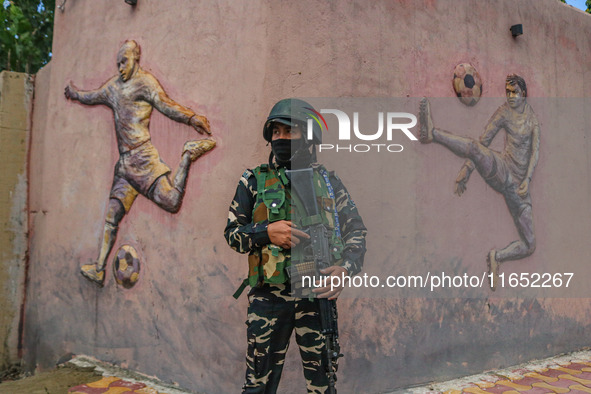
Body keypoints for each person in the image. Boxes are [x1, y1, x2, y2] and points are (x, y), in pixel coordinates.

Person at [224, 98, 367, 393]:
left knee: (323, 387)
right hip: (269, 300)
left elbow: (356, 232)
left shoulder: (328, 182)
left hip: (316, 299)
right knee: (257, 387)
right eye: (275, 133)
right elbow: (232, 234)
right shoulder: (253, 180)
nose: (280, 139)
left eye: (289, 132)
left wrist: (346, 269)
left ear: (309, 135)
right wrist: (266, 232)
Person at [64, 40, 216, 286]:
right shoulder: (113, 88)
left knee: (172, 202)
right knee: (112, 215)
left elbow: (166, 105)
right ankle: (100, 269)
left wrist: (192, 118)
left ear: (135, 58)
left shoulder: (145, 83)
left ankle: (187, 155)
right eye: (117, 63)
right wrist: (75, 94)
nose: (120, 67)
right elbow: (92, 97)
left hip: (142, 159)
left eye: (124, 61)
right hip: (124, 165)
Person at [419, 74, 540, 290]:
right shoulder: (504, 112)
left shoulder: (532, 121)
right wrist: (466, 171)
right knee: (475, 148)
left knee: (530, 245)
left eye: (515, 92)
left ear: (524, 93)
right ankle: (432, 134)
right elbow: (485, 139)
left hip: (519, 191)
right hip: (503, 170)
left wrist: (528, 180)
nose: (511, 97)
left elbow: (535, 152)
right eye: (508, 92)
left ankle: (497, 257)